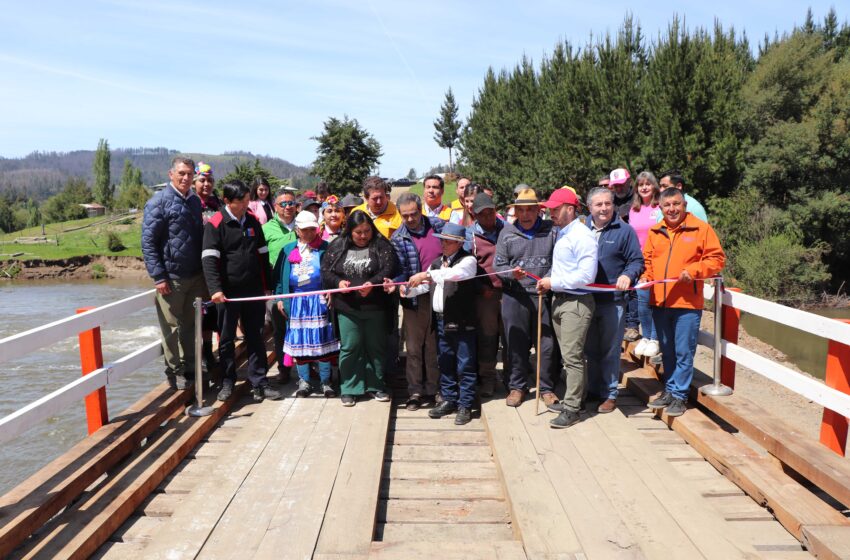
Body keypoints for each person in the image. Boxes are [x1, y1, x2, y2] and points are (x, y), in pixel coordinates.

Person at [644, 188, 725, 417]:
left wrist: (695, 270)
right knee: (667, 350)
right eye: (667, 205)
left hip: (686, 303)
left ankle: (680, 395)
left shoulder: (700, 229)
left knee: (683, 351)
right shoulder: (655, 231)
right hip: (660, 301)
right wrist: (647, 278)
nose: (672, 209)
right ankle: (669, 390)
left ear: (684, 205)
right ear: (660, 208)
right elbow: (648, 260)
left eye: (676, 204)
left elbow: (716, 258)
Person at [202, 180, 282, 402]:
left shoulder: (253, 221)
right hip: (227, 294)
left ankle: (260, 382)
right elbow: (209, 260)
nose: (247, 203)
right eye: (242, 200)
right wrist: (215, 289)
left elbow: (263, 254)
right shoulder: (216, 224)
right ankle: (227, 381)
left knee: (256, 336)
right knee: (226, 339)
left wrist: (267, 285)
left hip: (253, 290)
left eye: (248, 199)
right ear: (227, 201)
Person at [533, 188, 598, 429]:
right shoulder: (565, 232)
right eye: (550, 209)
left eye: (555, 209)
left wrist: (554, 282)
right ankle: (576, 401)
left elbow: (586, 276)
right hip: (562, 299)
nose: (551, 213)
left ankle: (572, 408)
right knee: (570, 356)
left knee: (572, 358)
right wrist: (550, 284)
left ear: (570, 209)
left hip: (576, 301)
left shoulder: (581, 235)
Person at [321, 210, 398, 406]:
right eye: (358, 232)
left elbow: (389, 268)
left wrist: (373, 283)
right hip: (347, 308)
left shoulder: (381, 245)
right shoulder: (337, 246)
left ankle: (376, 385)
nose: (363, 236)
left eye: (366, 231)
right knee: (350, 346)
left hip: (376, 307)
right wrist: (338, 283)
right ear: (350, 231)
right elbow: (326, 272)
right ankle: (349, 387)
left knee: (376, 346)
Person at [142, 156, 206, 390]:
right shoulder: (158, 203)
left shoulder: (195, 202)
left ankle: (191, 368)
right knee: (171, 327)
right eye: (181, 173)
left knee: (190, 325)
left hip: (195, 276)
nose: (186, 178)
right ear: (171, 174)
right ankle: (175, 370)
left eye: (190, 174)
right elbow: (148, 242)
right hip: (171, 278)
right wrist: (158, 276)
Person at [406, 223, 479, 425]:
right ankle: (449, 398)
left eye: (447, 241)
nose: (443, 244)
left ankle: (465, 404)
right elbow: (424, 286)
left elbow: (455, 275)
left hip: (463, 321)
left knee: (465, 364)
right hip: (441, 320)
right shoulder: (437, 263)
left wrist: (427, 275)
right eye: (442, 240)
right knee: (445, 361)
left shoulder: (468, 261)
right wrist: (405, 290)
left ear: (458, 243)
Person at [494, 188, 560, 409]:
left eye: (530, 210)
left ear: (538, 210)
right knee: (516, 342)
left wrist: (549, 278)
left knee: (547, 344)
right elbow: (498, 266)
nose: (525, 214)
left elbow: (559, 261)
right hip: (515, 295)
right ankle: (517, 386)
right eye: (520, 210)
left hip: (544, 294)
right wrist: (510, 273)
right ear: (515, 212)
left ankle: (546, 388)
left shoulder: (552, 231)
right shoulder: (507, 232)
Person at [582, 187, 643, 413]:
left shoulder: (625, 231)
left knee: (610, 349)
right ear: (590, 207)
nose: (604, 208)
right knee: (590, 349)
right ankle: (594, 389)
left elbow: (636, 260)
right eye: (599, 205)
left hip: (613, 301)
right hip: (585, 299)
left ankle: (609, 394)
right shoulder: (580, 229)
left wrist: (628, 274)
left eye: (608, 204)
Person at [275, 211, 340, 398]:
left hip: (319, 302)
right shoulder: (288, 250)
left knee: (321, 341)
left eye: (313, 229)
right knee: (300, 342)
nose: (310, 233)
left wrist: (331, 290)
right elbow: (279, 278)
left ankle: (326, 381)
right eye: (305, 230)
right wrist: (280, 298)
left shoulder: (326, 248)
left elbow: (335, 273)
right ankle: (304, 381)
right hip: (296, 302)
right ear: (297, 230)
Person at [391, 193, 444, 410]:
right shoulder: (398, 237)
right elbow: (399, 270)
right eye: (405, 216)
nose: (411, 219)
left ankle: (435, 389)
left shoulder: (440, 226)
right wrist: (400, 284)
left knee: (434, 345)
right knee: (413, 347)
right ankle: (414, 391)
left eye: (414, 214)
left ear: (421, 209)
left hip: (440, 293)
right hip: (414, 298)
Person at [464, 192, 505, 397]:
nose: (488, 217)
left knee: (511, 336)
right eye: (483, 214)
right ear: (474, 214)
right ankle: (487, 378)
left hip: (509, 292)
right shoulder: (469, 235)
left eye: (491, 212)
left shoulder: (507, 229)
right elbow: (465, 267)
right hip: (485, 295)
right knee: (488, 338)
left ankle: (514, 378)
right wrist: (480, 288)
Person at [263, 189, 299, 381]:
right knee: (280, 329)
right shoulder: (266, 229)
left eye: (290, 203)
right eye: (282, 204)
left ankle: (308, 369)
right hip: (278, 286)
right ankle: (284, 369)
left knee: (304, 326)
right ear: (275, 207)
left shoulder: (306, 224)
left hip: (304, 285)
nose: (287, 207)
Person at [629, 172, 663, 360]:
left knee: (655, 300)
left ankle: (655, 339)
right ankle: (646, 336)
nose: (644, 188)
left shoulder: (659, 207)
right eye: (640, 184)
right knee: (642, 301)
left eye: (648, 184)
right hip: (639, 261)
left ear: (654, 186)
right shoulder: (634, 209)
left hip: (657, 259)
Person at [191, 162, 221, 373]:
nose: (206, 184)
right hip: (194, 266)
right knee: (197, 311)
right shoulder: (189, 204)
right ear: (194, 183)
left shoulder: (217, 204)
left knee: (212, 311)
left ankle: (209, 351)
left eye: (210, 180)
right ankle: (198, 354)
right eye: (202, 180)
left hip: (214, 264)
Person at [609, 167, 640, 342]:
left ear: (629, 182)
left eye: (621, 185)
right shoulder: (610, 201)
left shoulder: (637, 201)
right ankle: (620, 323)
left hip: (634, 248)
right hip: (616, 248)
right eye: (615, 186)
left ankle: (633, 325)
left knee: (633, 288)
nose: (618, 189)